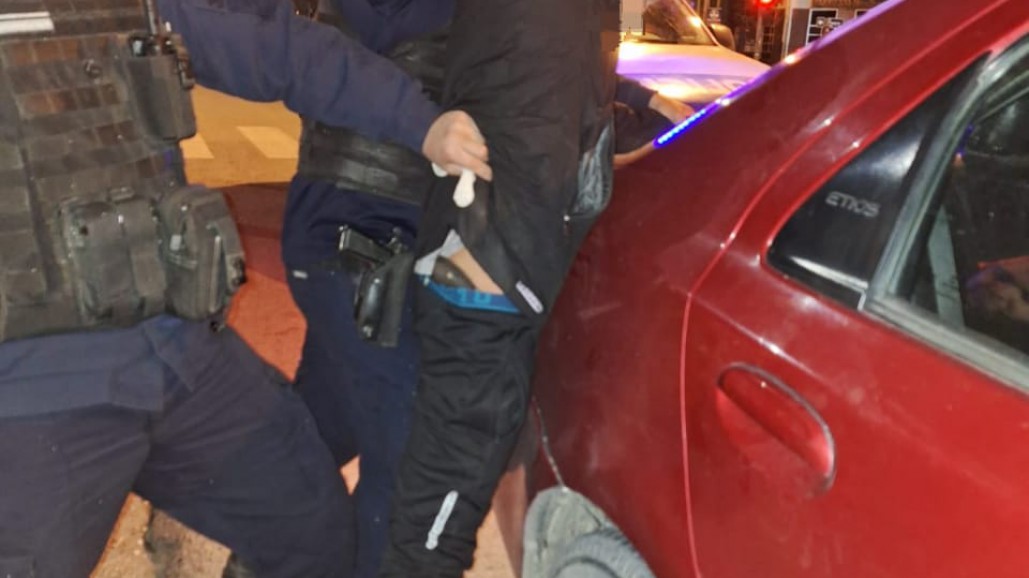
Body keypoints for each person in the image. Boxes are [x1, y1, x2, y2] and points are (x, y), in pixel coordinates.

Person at [0, 1, 486, 577]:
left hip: (179, 358)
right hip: (37, 397)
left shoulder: (125, 6)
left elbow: (284, 50)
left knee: (316, 535)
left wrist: (423, 124)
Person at [276, 0, 692, 574]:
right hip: (366, 216)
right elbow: (475, 60)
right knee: (404, 459)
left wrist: (636, 101)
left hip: (388, 219)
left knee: (327, 419)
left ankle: (260, 554)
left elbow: (507, 62)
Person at [375, 0, 624, 574]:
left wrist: (638, 107)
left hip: (490, 254)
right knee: (432, 531)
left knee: (438, 505)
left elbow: (550, 80)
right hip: (491, 266)